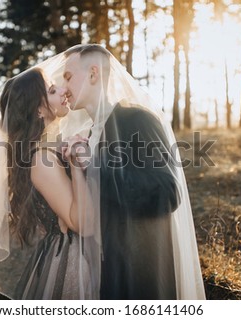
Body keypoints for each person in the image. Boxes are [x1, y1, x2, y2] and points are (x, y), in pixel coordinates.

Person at [62, 44, 206, 299]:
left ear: (94, 74)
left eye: (69, 77)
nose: (64, 88)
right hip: (105, 272)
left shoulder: (138, 120)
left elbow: (168, 192)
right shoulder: (87, 135)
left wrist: (93, 165)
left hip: (140, 273)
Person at [0, 67, 93, 299]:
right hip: (72, 259)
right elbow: (80, 222)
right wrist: (76, 163)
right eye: (53, 90)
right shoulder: (41, 160)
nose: (64, 90)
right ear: (38, 109)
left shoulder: (49, 148)